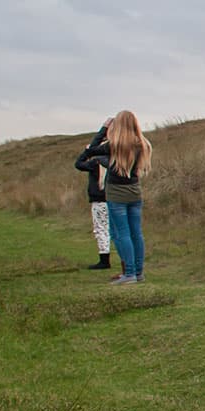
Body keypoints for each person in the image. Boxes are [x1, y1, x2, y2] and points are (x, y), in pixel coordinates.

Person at [99, 109, 152, 285]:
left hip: (117, 195)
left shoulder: (114, 145)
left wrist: (103, 129)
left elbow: (90, 151)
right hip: (135, 192)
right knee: (136, 233)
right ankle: (138, 272)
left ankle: (129, 273)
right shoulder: (142, 144)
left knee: (122, 233)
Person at [74, 119, 112, 270]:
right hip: (116, 198)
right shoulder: (116, 161)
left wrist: (100, 133)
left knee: (101, 228)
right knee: (117, 230)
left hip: (99, 200)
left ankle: (104, 260)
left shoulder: (95, 162)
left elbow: (78, 163)